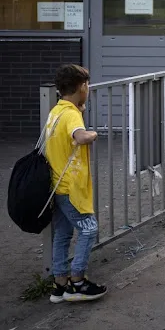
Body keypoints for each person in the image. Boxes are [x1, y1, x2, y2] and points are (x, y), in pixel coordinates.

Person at [45, 64, 107, 303]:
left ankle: (59, 285)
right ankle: (78, 282)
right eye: (87, 85)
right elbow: (79, 136)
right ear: (82, 87)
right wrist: (93, 134)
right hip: (72, 187)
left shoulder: (56, 111)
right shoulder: (71, 115)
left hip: (56, 185)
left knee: (62, 233)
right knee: (89, 229)